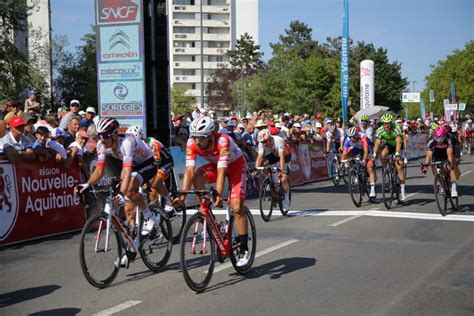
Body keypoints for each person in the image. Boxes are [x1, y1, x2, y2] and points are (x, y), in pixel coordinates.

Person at [175, 116, 250, 267]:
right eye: (194, 137)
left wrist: (217, 194)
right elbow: (189, 171)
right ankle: (207, 216)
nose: (197, 142)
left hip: (235, 166)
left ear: (210, 136)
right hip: (216, 166)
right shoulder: (192, 143)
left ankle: (244, 248)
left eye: (200, 138)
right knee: (197, 177)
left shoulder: (223, 140)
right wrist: (182, 196)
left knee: (236, 207)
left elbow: (222, 172)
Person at [368, 113, 406, 200]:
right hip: (389, 145)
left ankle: (402, 190)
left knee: (399, 166)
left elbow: (399, 142)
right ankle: (386, 169)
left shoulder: (396, 128)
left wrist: (397, 154)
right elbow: (377, 144)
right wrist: (374, 155)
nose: (387, 125)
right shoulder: (380, 130)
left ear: (391, 123)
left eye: (388, 123)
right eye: (385, 123)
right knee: (382, 154)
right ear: (382, 124)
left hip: (398, 146)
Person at [255, 128, 292, 212]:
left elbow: (282, 157)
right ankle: (270, 181)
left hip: (285, 155)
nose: (263, 144)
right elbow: (260, 157)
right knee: (264, 165)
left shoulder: (278, 140)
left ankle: (286, 198)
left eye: (264, 141)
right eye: (261, 142)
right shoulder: (262, 143)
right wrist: (256, 168)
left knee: (283, 178)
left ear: (269, 139)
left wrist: (281, 171)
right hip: (273, 154)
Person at [421, 126, 460, 197]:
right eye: (437, 138)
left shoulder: (449, 138)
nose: (439, 141)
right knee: (433, 166)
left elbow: (450, 153)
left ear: (444, 136)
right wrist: (426, 165)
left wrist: (450, 163)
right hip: (437, 152)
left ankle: (454, 189)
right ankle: (441, 183)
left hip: (447, 151)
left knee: (450, 167)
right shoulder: (431, 139)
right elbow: (429, 153)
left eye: (441, 138)